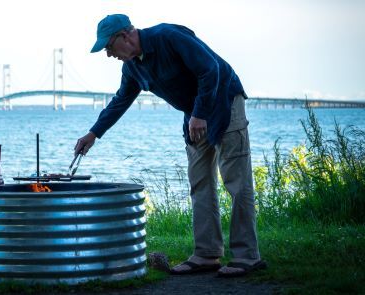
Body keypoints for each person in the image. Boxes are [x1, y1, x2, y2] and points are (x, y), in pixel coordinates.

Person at [74, 14, 266, 277]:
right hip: (194, 115)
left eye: (108, 47)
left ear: (126, 35)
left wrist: (199, 113)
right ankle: (207, 254)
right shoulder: (132, 67)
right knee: (199, 183)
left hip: (224, 103)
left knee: (236, 181)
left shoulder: (168, 37)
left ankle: (247, 256)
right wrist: (93, 134)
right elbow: (120, 101)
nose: (108, 55)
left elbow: (211, 69)